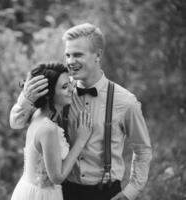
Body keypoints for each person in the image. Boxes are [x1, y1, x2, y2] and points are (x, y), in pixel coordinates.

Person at [9, 23, 152, 200]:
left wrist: (130, 193)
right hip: (64, 191)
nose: (70, 62)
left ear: (97, 55)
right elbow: (17, 123)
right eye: (67, 55)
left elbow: (143, 150)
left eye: (77, 55)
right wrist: (25, 98)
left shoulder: (126, 102)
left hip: (106, 193)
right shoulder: (61, 94)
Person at [10, 62, 93, 200]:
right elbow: (57, 177)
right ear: (49, 95)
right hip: (41, 195)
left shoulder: (36, 114)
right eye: (65, 87)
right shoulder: (48, 128)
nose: (72, 89)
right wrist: (81, 140)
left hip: (28, 190)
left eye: (70, 83)